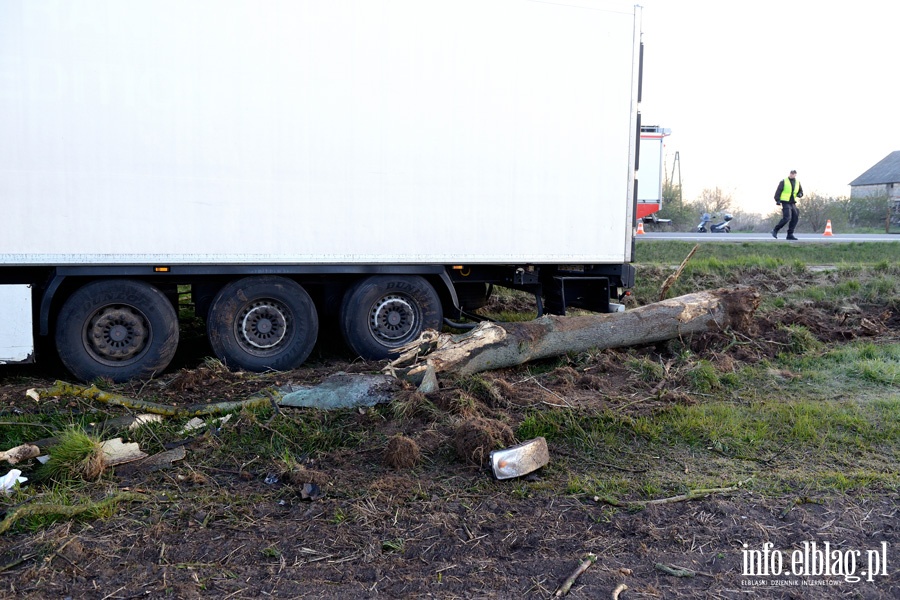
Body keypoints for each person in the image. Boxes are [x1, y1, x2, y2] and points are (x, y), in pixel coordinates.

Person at [771, 170, 803, 240]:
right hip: (785, 202)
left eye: (793, 174)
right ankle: (775, 230)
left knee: (795, 217)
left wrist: (800, 194)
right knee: (787, 217)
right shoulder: (784, 181)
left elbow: (801, 191)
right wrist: (778, 200)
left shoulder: (797, 182)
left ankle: (790, 234)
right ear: (789, 174)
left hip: (792, 202)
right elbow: (778, 191)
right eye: (791, 173)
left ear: (795, 175)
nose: (792, 175)